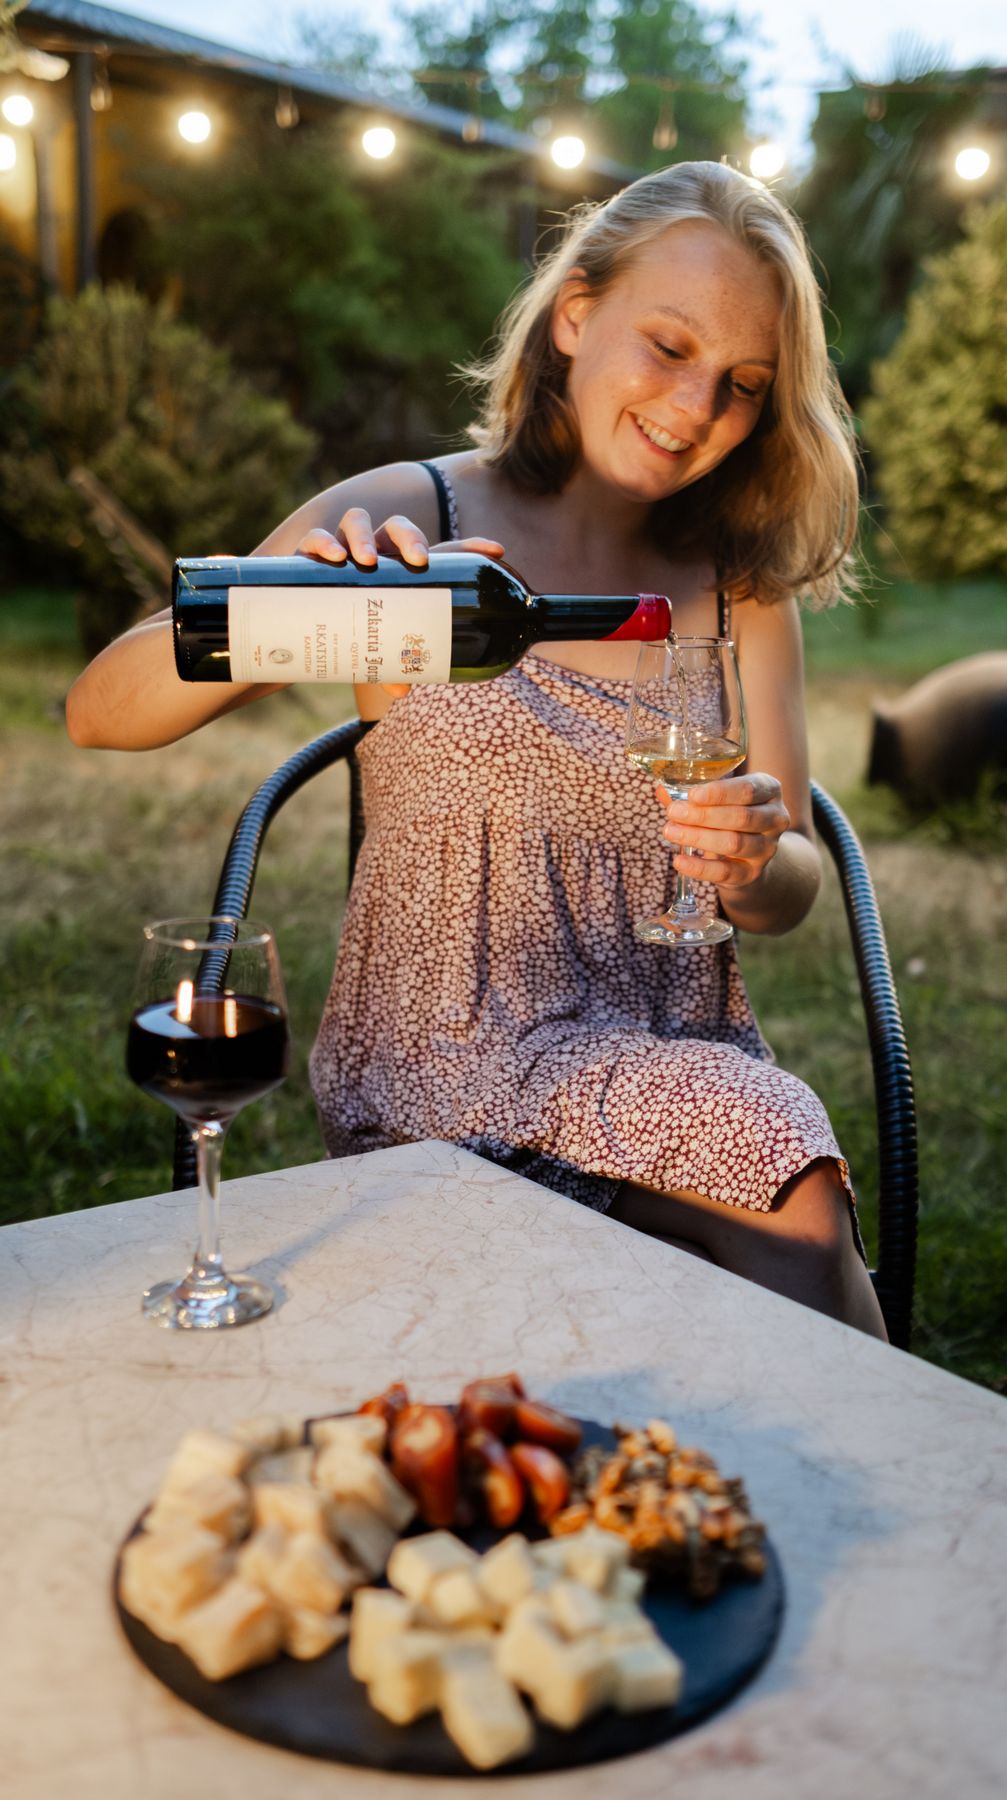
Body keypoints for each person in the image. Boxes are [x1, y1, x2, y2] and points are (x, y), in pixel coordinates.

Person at [67, 161, 887, 1340]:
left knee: (734, 1207)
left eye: (743, 385)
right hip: (452, 1058)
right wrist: (306, 608)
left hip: (676, 1052)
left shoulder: (736, 584)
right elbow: (99, 711)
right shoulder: (421, 523)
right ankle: (906, 1449)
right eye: (668, 346)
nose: (696, 404)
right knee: (780, 1164)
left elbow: (792, 876)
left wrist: (756, 857)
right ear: (575, 314)